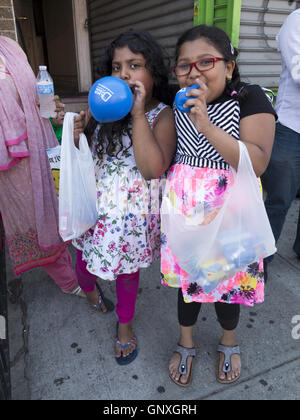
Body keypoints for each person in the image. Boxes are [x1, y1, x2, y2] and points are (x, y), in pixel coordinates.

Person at [161, 25, 276, 386]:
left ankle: (228, 340)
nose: (193, 72)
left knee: (228, 285)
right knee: (189, 282)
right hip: (185, 211)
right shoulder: (174, 99)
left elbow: (256, 162)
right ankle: (186, 340)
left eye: (205, 61)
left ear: (228, 66)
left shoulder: (250, 97)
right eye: (184, 65)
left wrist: (206, 125)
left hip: (233, 212)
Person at [73, 30, 177, 364]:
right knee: (83, 255)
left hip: (131, 212)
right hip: (94, 201)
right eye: (117, 67)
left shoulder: (160, 114)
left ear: (153, 73)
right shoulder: (103, 110)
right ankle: (89, 291)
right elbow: (86, 153)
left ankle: (125, 326)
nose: (124, 74)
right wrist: (76, 133)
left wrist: (136, 113)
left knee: (127, 272)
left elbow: (152, 169)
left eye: (135, 65)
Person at [0, 36, 86, 299]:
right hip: (10, 164)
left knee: (52, 210)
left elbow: (35, 98)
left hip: (39, 146)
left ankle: (66, 271)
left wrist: (53, 109)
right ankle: (68, 281)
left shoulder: (10, 46)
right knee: (32, 220)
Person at [261, 6, 300, 267]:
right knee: (279, 199)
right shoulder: (296, 22)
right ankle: (260, 260)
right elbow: (298, 72)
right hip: (291, 128)